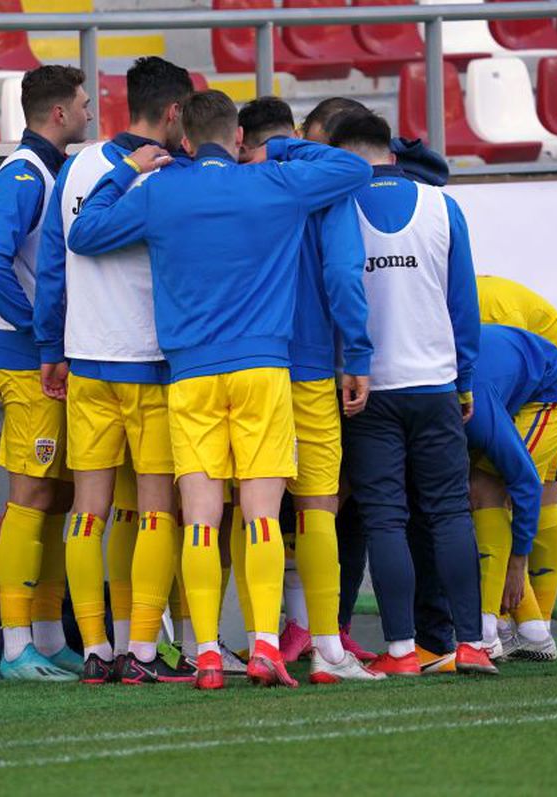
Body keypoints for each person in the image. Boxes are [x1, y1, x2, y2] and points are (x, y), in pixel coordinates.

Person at [68, 90, 372, 689]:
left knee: (202, 520)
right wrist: (277, 149)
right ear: (237, 138)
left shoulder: (160, 190)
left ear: (184, 140)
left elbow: (86, 233)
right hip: (263, 370)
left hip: (189, 376)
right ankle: (265, 647)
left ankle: (206, 651)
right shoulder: (274, 182)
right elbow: (354, 168)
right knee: (262, 518)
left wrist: (126, 169)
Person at [34, 56, 197, 686]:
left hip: (86, 359)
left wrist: (52, 346)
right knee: (156, 510)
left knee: (88, 509)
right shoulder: (170, 174)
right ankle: (143, 651)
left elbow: (52, 265)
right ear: (175, 111)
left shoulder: (76, 167)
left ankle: (96, 648)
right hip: (150, 361)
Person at [330, 110, 497, 677]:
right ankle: (470, 643)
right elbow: (464, 305)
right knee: (450, 513)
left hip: (367, 389)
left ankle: (402, 650)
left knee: (384, 520)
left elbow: (336, 293)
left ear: (344, 158)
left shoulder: (338, 207)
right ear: (391, 153)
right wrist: (465, 380)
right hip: (436, 385)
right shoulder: (443, 206)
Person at [236, 96, 380, 684]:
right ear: (294, 134)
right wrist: (357, 353)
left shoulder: (231, 184)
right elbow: (343, 274)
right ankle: (327, 649)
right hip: (311, 364)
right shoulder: (325, 185)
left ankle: (257, 643)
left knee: (247, 510)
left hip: (241, 365)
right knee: (318, 505)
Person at [0, 65, 92, 681]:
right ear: (59, 113)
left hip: (49, 356)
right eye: (84, 104)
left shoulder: (48, 170)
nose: (90, 114)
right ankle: (14, 643)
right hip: (28, 360)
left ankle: (47, 635)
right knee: (32, 496)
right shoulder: (23, 174)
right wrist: (36, 329)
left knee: (59, 497)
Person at [475, 275, 557, 658]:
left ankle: (529, 626)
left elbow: (523, 481)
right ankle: (518, 626)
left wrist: (517, 562)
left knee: (507, 490)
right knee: (482, 485)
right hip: (516, 379)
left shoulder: (490, 310)